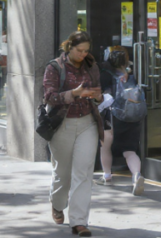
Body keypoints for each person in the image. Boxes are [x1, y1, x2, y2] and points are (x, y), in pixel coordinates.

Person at [43, 31, 103, 237]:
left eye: (86, 51)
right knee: (63, 174)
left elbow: (98, 94)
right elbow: (49, 97)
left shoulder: (91, 66)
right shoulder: (54, 67)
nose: (83, 54)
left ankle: (79, 222)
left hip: (88, 123)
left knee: (84, 173)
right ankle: (58, 204)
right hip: (63, 124)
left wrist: (97, 97)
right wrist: (74, 94)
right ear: (69, 47)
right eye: (79, 50)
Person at [96, 50, 144, 195]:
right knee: (129, 150)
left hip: (112, 116)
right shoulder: (133, 74)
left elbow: (100, 95)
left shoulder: (105, 75)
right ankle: (136, 176)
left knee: (105, 146)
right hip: (132, 115)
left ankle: (107, 176)